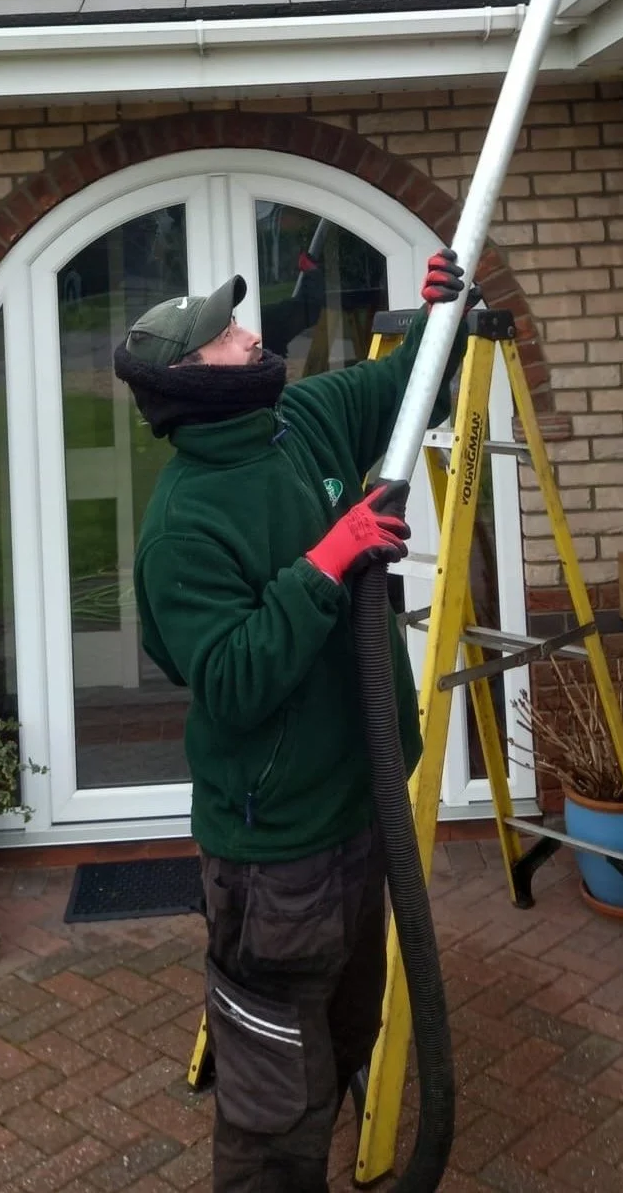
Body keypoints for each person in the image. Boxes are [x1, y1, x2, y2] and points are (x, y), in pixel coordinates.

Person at [111, 250, 473, 1192]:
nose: (256, 335)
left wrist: (447, 316)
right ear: (191, 380)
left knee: (348, 1036)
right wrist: (327, 561)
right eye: (232, 337)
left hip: (358, 819)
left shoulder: (301, 423)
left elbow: (406, 391)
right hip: (274, 858)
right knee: (278, 1100)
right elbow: (230, 681)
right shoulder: (183, 527)